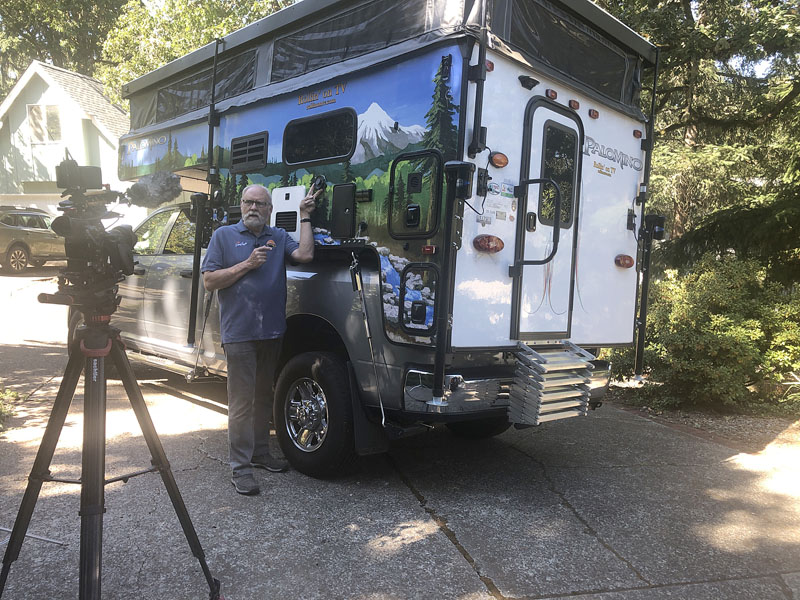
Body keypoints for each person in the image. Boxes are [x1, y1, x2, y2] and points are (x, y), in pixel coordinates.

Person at [201, 183, 319, 495]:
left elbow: (305, 254)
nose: (254, 208)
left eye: (261, 204)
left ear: (269, 210)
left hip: (272, 331)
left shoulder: (278, 236)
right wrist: (247, 264)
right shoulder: (223, 236)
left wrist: (304, 215)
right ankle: (240, 469)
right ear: (241, 206)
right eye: (249, 202)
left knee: (264, 395)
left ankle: (260, 453)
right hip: (239, 333)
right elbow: (210, 280)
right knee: (241, 402)